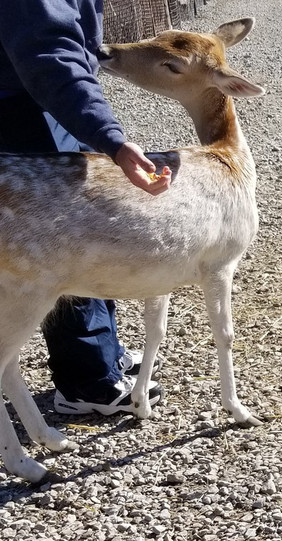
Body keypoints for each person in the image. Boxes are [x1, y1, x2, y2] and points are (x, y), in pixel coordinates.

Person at [0, 0, 172, 416]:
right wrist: (109, 137)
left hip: (43, 95)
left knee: (84, 218)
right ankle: (86, 381)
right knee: (63, 239)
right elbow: (50, 53)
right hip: (21, 99)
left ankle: (103, 349)